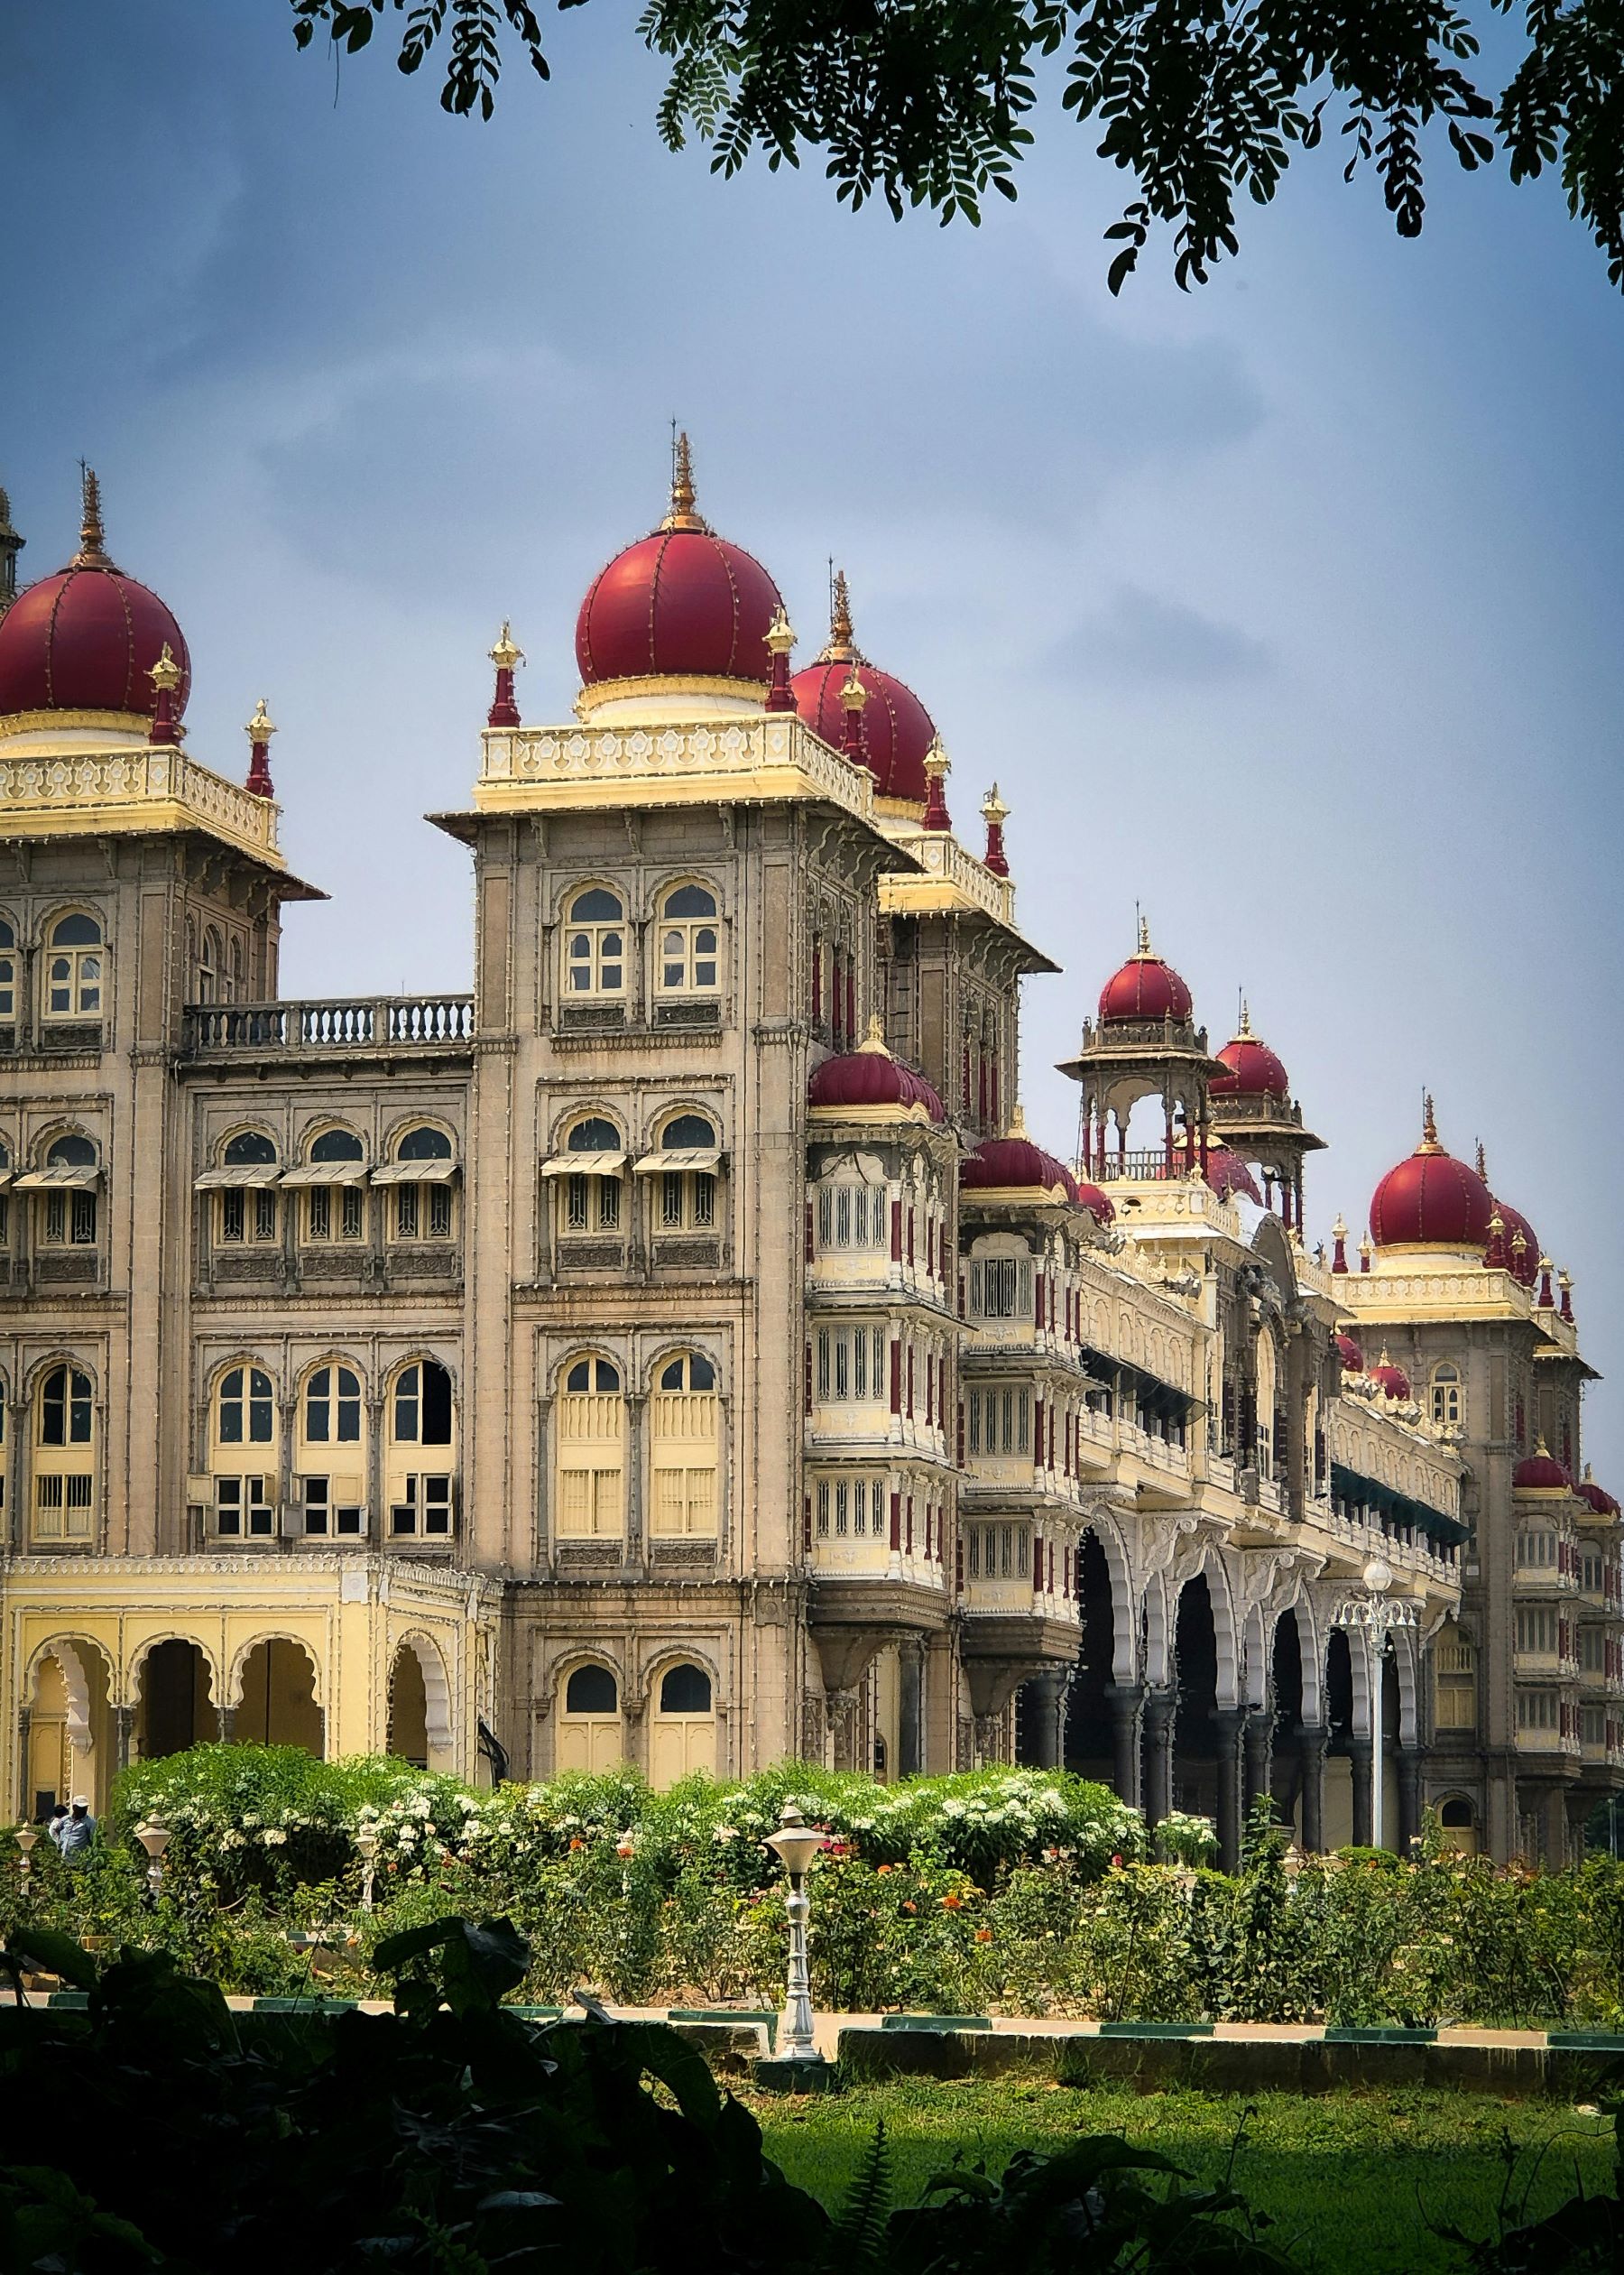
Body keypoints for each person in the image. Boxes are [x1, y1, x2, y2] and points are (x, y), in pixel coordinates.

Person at [56, 1796, 95, 1869]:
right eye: (81, 1808)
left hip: (79, 1863)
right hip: (64, 1860)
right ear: (74, 1807)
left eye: (85, 1808)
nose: (84, 1810)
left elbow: (93, 1841)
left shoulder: (90, 1822)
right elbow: (57, 1831)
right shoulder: (65, 1820)